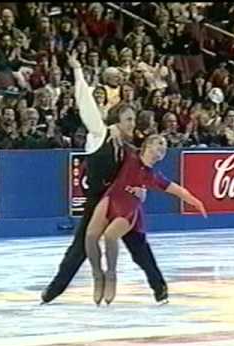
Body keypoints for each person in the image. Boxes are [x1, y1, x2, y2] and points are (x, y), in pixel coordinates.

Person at [41, 51, 169, 305]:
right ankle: (53, 291)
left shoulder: (132, 150)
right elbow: (86, 105)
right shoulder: (100, 135)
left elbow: (145, 171)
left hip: (121, 203)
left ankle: (160, 287)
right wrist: (78, 71)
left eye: (134, 119)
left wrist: (141, 188)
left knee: (138, 246)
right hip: (97, 202)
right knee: (79, 249)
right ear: (116, 121)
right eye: (129, 119)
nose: (133, 123)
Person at [85, 134, 208, 305]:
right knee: (91, 236)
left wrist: (196, 202)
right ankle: (98, 275)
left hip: (128, 212)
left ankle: (151, 287)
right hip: (111, 200)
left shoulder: (153, 175)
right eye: (159, 143)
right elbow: (113, 137)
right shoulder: (130, 154)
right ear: (147, 145)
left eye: (165, 146)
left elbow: (177, 190)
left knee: (138, 253)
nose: (162, 147)